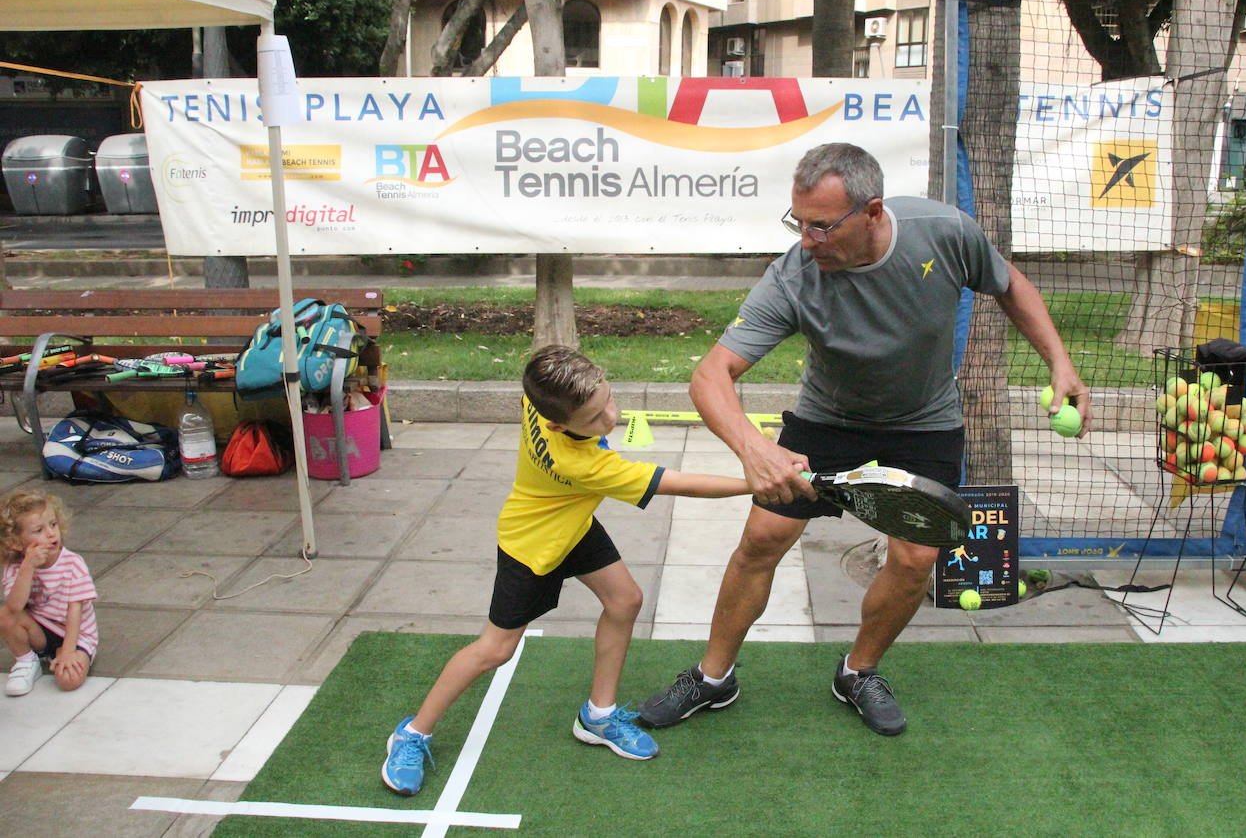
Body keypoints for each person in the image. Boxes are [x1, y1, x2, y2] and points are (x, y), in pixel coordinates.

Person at [639, 142, 1089, 736]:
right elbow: (710, 375)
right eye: (798, 223)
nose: (807, 240)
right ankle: (713, 677)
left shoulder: (944, 233)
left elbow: (1010, 286)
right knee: (762, 538)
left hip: (925, 419)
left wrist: (1059, 361)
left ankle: (858, 671)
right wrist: (756, 448)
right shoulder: (794, 276)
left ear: (872, 212)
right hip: (829, 418)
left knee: (916, 557)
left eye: (821, 227)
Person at [381, 345, 751, 795]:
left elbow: (545, 369)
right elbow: (682, 484)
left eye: (608, 400)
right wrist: (758, 482)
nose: (610, 418)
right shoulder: (586, 464)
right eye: (594, 419)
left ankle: (598, 715)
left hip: (571, 522)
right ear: (557, 424)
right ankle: (412, 734)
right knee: (495, 649)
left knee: (625, 599)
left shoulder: (536, 399)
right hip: (532, 544)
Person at [1, 490, 98, 697]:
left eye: (53, 525)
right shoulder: (16, 566)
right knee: (5, 614)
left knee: (68, 681)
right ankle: (26, 661)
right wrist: (27, 567)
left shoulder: (72, 563)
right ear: (17, 542)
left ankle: (63, 654)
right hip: (40, 630)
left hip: (75, 634)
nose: (51, 533)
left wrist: (69, 650)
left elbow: (75, 611)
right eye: (39, 530)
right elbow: (14, 607)